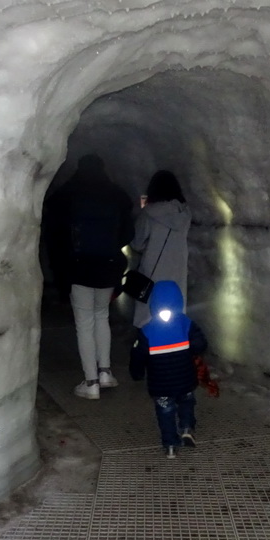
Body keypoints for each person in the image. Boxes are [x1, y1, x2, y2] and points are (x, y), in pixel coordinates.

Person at [44, 154, 134, 400]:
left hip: (79, 267)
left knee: (84, 323)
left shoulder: (68, 194)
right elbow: (128, 232)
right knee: (101, 316)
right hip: (107, 266)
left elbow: (55, 235)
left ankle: (91, 381)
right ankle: (105, 372)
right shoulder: (115, 194)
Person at [129, 280, 208, 459]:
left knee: (165, 412)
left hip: (161, 385)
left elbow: (137, 355)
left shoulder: (147, 331)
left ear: (153, 303)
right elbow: (201, 344)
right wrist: (191, 350)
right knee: (187, 402)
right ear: (179, 301)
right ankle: (187, 428)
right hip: (185, 380)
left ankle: (171, 445)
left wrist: (137, 372)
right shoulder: (185, 324)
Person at [130, 170, 191, 328]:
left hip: (153, 271)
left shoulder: (148, 214)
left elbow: (137, 243)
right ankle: (174, 339)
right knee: (175, 305)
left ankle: (150, 343)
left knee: (150, 311)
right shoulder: (185, 214)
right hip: (178, 269)